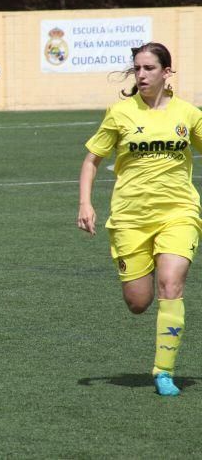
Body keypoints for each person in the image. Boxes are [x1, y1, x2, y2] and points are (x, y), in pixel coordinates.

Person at [77, 42, 202, 396]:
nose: (142, 75)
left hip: (179, 212)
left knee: (171, 284)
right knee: (138, 302)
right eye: (137, 69)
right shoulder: (119, 113)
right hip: (130, 218)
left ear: (167, 72)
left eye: (149, 68)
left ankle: (164, 371)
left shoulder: (188, 114)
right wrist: (85, 203)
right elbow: (91, 160)